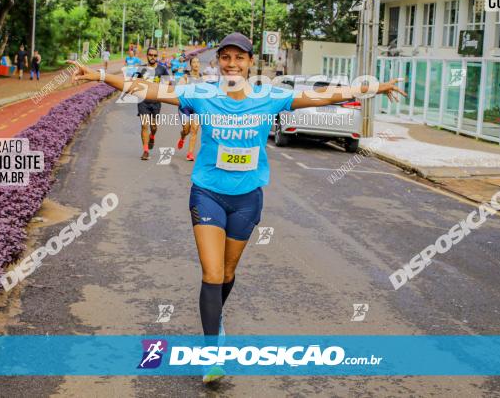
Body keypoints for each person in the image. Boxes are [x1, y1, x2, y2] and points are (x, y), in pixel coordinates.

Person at [68, 32, 406, 384]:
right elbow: (149, 90)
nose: (232, 63)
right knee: (212, 273)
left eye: (239, 58)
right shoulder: (201, 94)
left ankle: (217, 321)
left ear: (249, 63)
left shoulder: (269, 97)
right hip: (207, 194)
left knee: (227, 274)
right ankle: (212, 352)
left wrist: (374, 88)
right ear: (218, 63)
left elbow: (322, 95)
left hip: (247, 199)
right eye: (225, 57)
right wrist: (101, 76)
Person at [133, 47, 169, 160]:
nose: (152, 57)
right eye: (150, 55)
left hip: (156, 102)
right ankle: (145, 151)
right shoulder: (141, 69)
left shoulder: (162, 69)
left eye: (154, 55)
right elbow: (134, 81)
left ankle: (152, 136)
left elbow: (168, 83)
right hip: (143, 101)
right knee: (144, 125)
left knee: (153, 126)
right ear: (147, 55)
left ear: (156, 57)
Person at [177, 56, 204, 162]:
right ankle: (182, 137)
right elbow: (179, 90)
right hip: (185, 107)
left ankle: (190, 153)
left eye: (198, 62)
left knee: (194, 129)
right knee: (186, 129)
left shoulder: (202, 78)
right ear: (191, 65)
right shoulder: (185, 77)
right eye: (194, 62)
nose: (196, 64)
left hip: (197, 107)